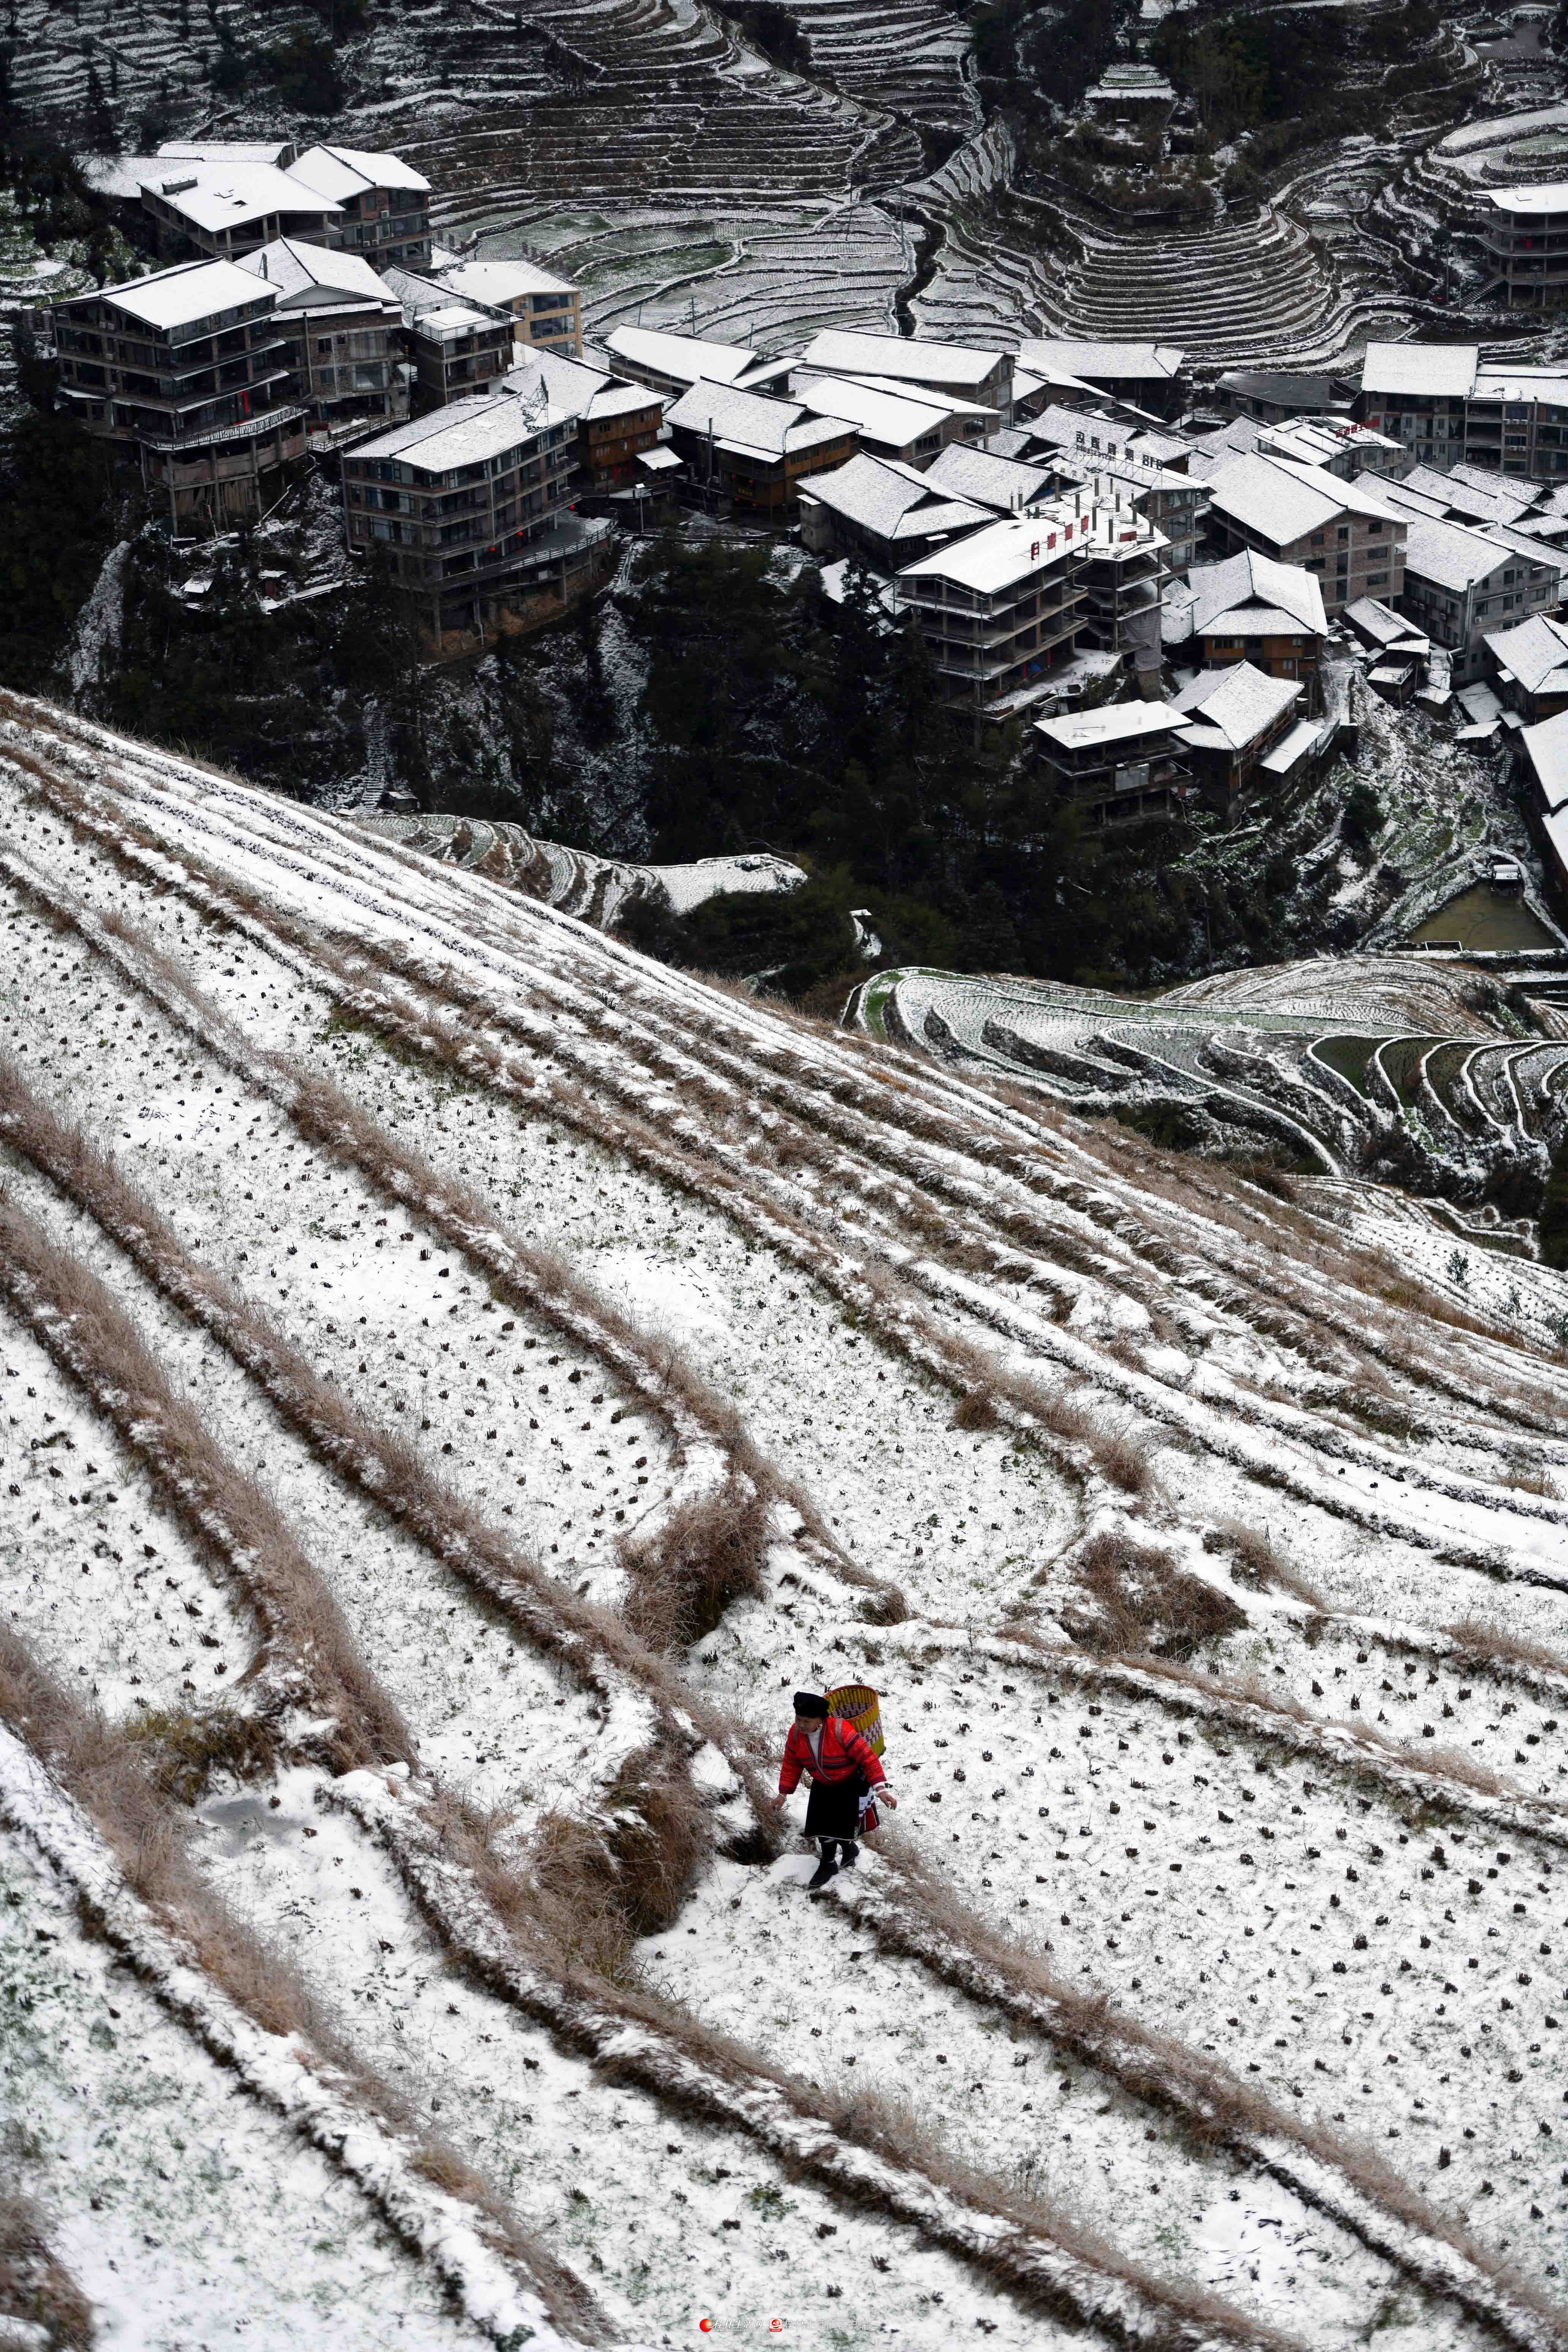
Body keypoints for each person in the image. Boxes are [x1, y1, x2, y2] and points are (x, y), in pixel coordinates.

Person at [772, 1690, 896, 1889]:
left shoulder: (840, 1731)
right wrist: (783, 1793)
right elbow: (791, 1762)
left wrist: (881, 1790)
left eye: (806, 1721)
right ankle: (835, 1860)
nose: (801, 1725)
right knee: (824, 1828)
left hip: (850, 1784)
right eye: (799, 1719)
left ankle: (839, 1856)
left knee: (839, 1827)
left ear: (820, 1720)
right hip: (823, 1784)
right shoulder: (796, 1734)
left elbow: (867, 1758)